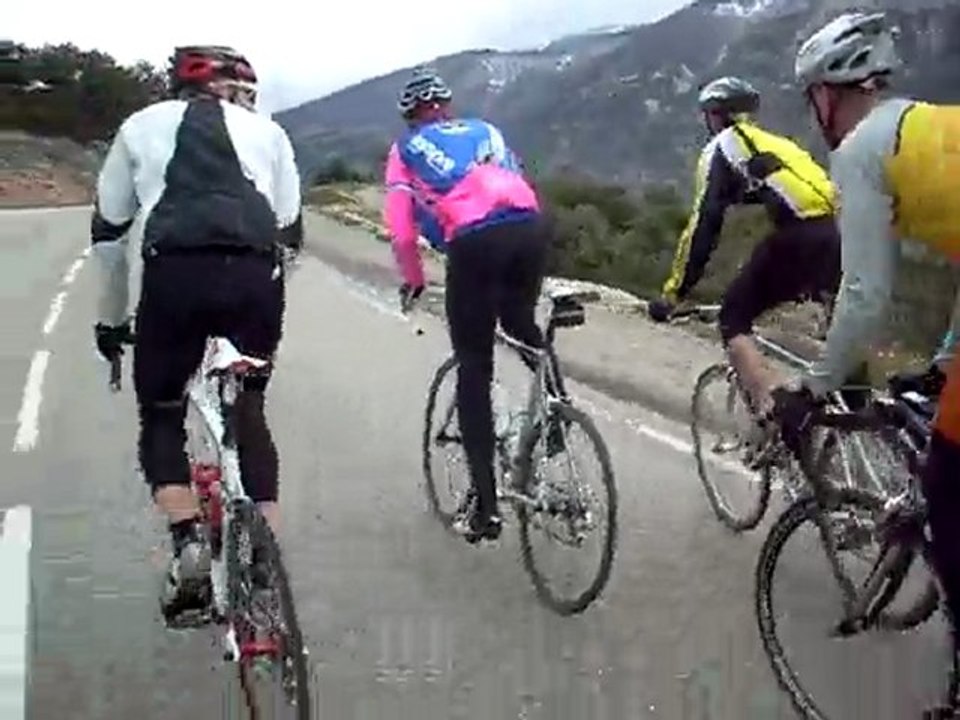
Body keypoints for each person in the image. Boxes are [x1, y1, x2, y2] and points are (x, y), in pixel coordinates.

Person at [781, 12, 960, 713]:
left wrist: (816, 384)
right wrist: (946, 357)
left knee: (948, 495)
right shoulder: (936, 124)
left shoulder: (861, 150)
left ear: (828, 94)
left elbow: (862, 295)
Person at [91, 45, 303, 625]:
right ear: (231, 90)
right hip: (256, 274)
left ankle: (187, 542)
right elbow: (288, 226)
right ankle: (263, 551)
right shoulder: (270, 133)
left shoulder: (138, 127)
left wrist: (111, 322)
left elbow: (109, 234)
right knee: (250, 403)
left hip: (175, 273)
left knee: (161, 411)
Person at [383, 67, 548, 544]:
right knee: (519, 321)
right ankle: (557, 408)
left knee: (474, 366)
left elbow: (401, 228)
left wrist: (413, 280)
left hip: (475, 241)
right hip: (530, 226)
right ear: (447, 107)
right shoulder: (487, 130)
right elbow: (513, 184)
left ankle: (487, 509)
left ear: (412, 116)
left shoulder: (406, 149)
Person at [648, 76, 842, 426]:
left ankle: (777, 414)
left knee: (733, 316)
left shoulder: (722, 147)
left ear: (714, 116)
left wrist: (674, 293)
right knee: (843, 337)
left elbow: (703, 225)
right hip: (843, 231)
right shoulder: (776, 144)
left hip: (802, 235)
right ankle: (856, 419)